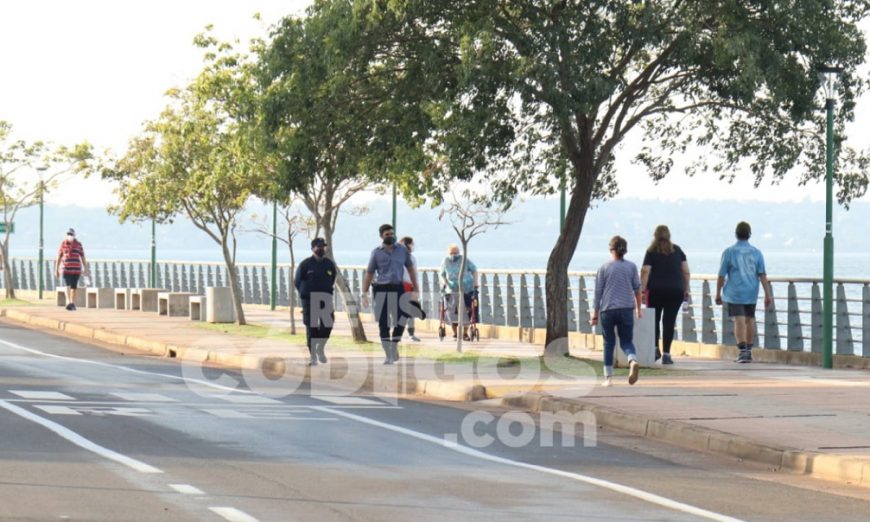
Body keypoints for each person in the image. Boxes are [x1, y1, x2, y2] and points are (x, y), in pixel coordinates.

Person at [715, 221, 772, 363]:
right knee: (749, 320)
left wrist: (717, 293)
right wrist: (767, 294)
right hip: (751, 291)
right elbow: (762, 274)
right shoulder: (757, 253)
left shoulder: (729, 252)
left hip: (735, 292)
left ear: (736, 234)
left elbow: (721, 275)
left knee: (739, 320)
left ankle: (742, 351)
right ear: (749, 235)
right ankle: (749, 350)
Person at [362, 224, 419, 364]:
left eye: (392, 234)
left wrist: (416, 289)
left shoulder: (402, 251)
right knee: (383, 323)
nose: (390, 236)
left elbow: (411, 270)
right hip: (381, 290)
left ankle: (394, 343)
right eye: (387, 234)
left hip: (398, 288)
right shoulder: (376, 252)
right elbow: (369, 273)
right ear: (381, 236)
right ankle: (388, 354)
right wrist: (364, 293)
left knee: (402, 318)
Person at [590, 235, 642, 387]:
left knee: (609, 343)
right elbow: (637, 289)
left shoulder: (604, 268)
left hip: (608, 310)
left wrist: (595, 314)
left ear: (611, 250)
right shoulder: (631, 267)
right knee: (626, 341)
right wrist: (639, 309)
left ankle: (608, 379)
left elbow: (598, 293)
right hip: (626, 308)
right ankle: (633, 360)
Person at [640, 225, 691, 365]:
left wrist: (642, 290)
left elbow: (645, 271)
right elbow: (686, 271)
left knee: (654, 320)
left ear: (655, 236)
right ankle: (667, 354)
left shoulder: (651, 252)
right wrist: (686, 289)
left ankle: (656, 349)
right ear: (669, 235)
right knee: (669, 321)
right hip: (675, 291)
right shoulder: (677, 250)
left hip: (655, 291)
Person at [294, 237, 337, 366]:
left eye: (323, 246)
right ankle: (313, 356)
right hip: (309, 299)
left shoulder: (329, 264)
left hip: (325, 299)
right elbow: (297, 282)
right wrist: (304, 294)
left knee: (327, 325)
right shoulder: (305, 264)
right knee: (311, 327)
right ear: (312, 248)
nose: (321, 249)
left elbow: (332, 278)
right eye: (318, 246)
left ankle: (320, 348)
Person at [439, 244, 478, 340]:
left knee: (467, 310)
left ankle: (465, 333)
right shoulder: (445, 261)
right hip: (451, 289)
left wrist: (475, 283)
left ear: (459, 252)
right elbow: (442, 274)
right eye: (451, 253)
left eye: (455, 253)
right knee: (452, 312)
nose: (454, 255)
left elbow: (474, 270)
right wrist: (446, 283)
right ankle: (455, 333)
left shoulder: (464, 260)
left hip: (466, 288)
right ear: (448, 253)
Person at [54, 228, 88, 311]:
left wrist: (85, 268)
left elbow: (82, 256)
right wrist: (56, 269)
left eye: (71, 234)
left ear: (74, 235)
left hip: (76, 270)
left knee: (74, 287)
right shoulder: (63, 244)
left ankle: (72, 303)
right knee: (67, 285)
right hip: (66, 269)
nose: (70, 236)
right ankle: (68, 302)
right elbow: (59, 257)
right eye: (68, 234)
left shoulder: (79, 244)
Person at [399, 236, 421, 342]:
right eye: (411, 244)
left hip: (410, 286)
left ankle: (411, 333)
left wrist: (416, 289)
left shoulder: (412, 258)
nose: (412, 246)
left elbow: (415, 274)